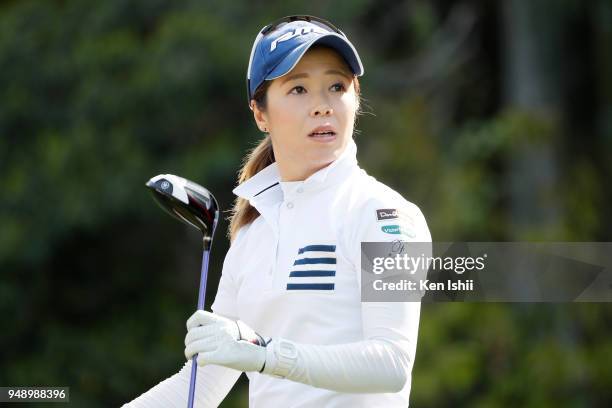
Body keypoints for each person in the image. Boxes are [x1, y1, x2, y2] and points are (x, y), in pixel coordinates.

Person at [124, 15, 431, 408]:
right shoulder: (252, 235)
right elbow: (202, 385)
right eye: (299, 88)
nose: (322, 106)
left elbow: (392, 363)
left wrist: (267, 354)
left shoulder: (387, 215)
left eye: (336, 86)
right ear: (260, 113)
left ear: (355, 96)